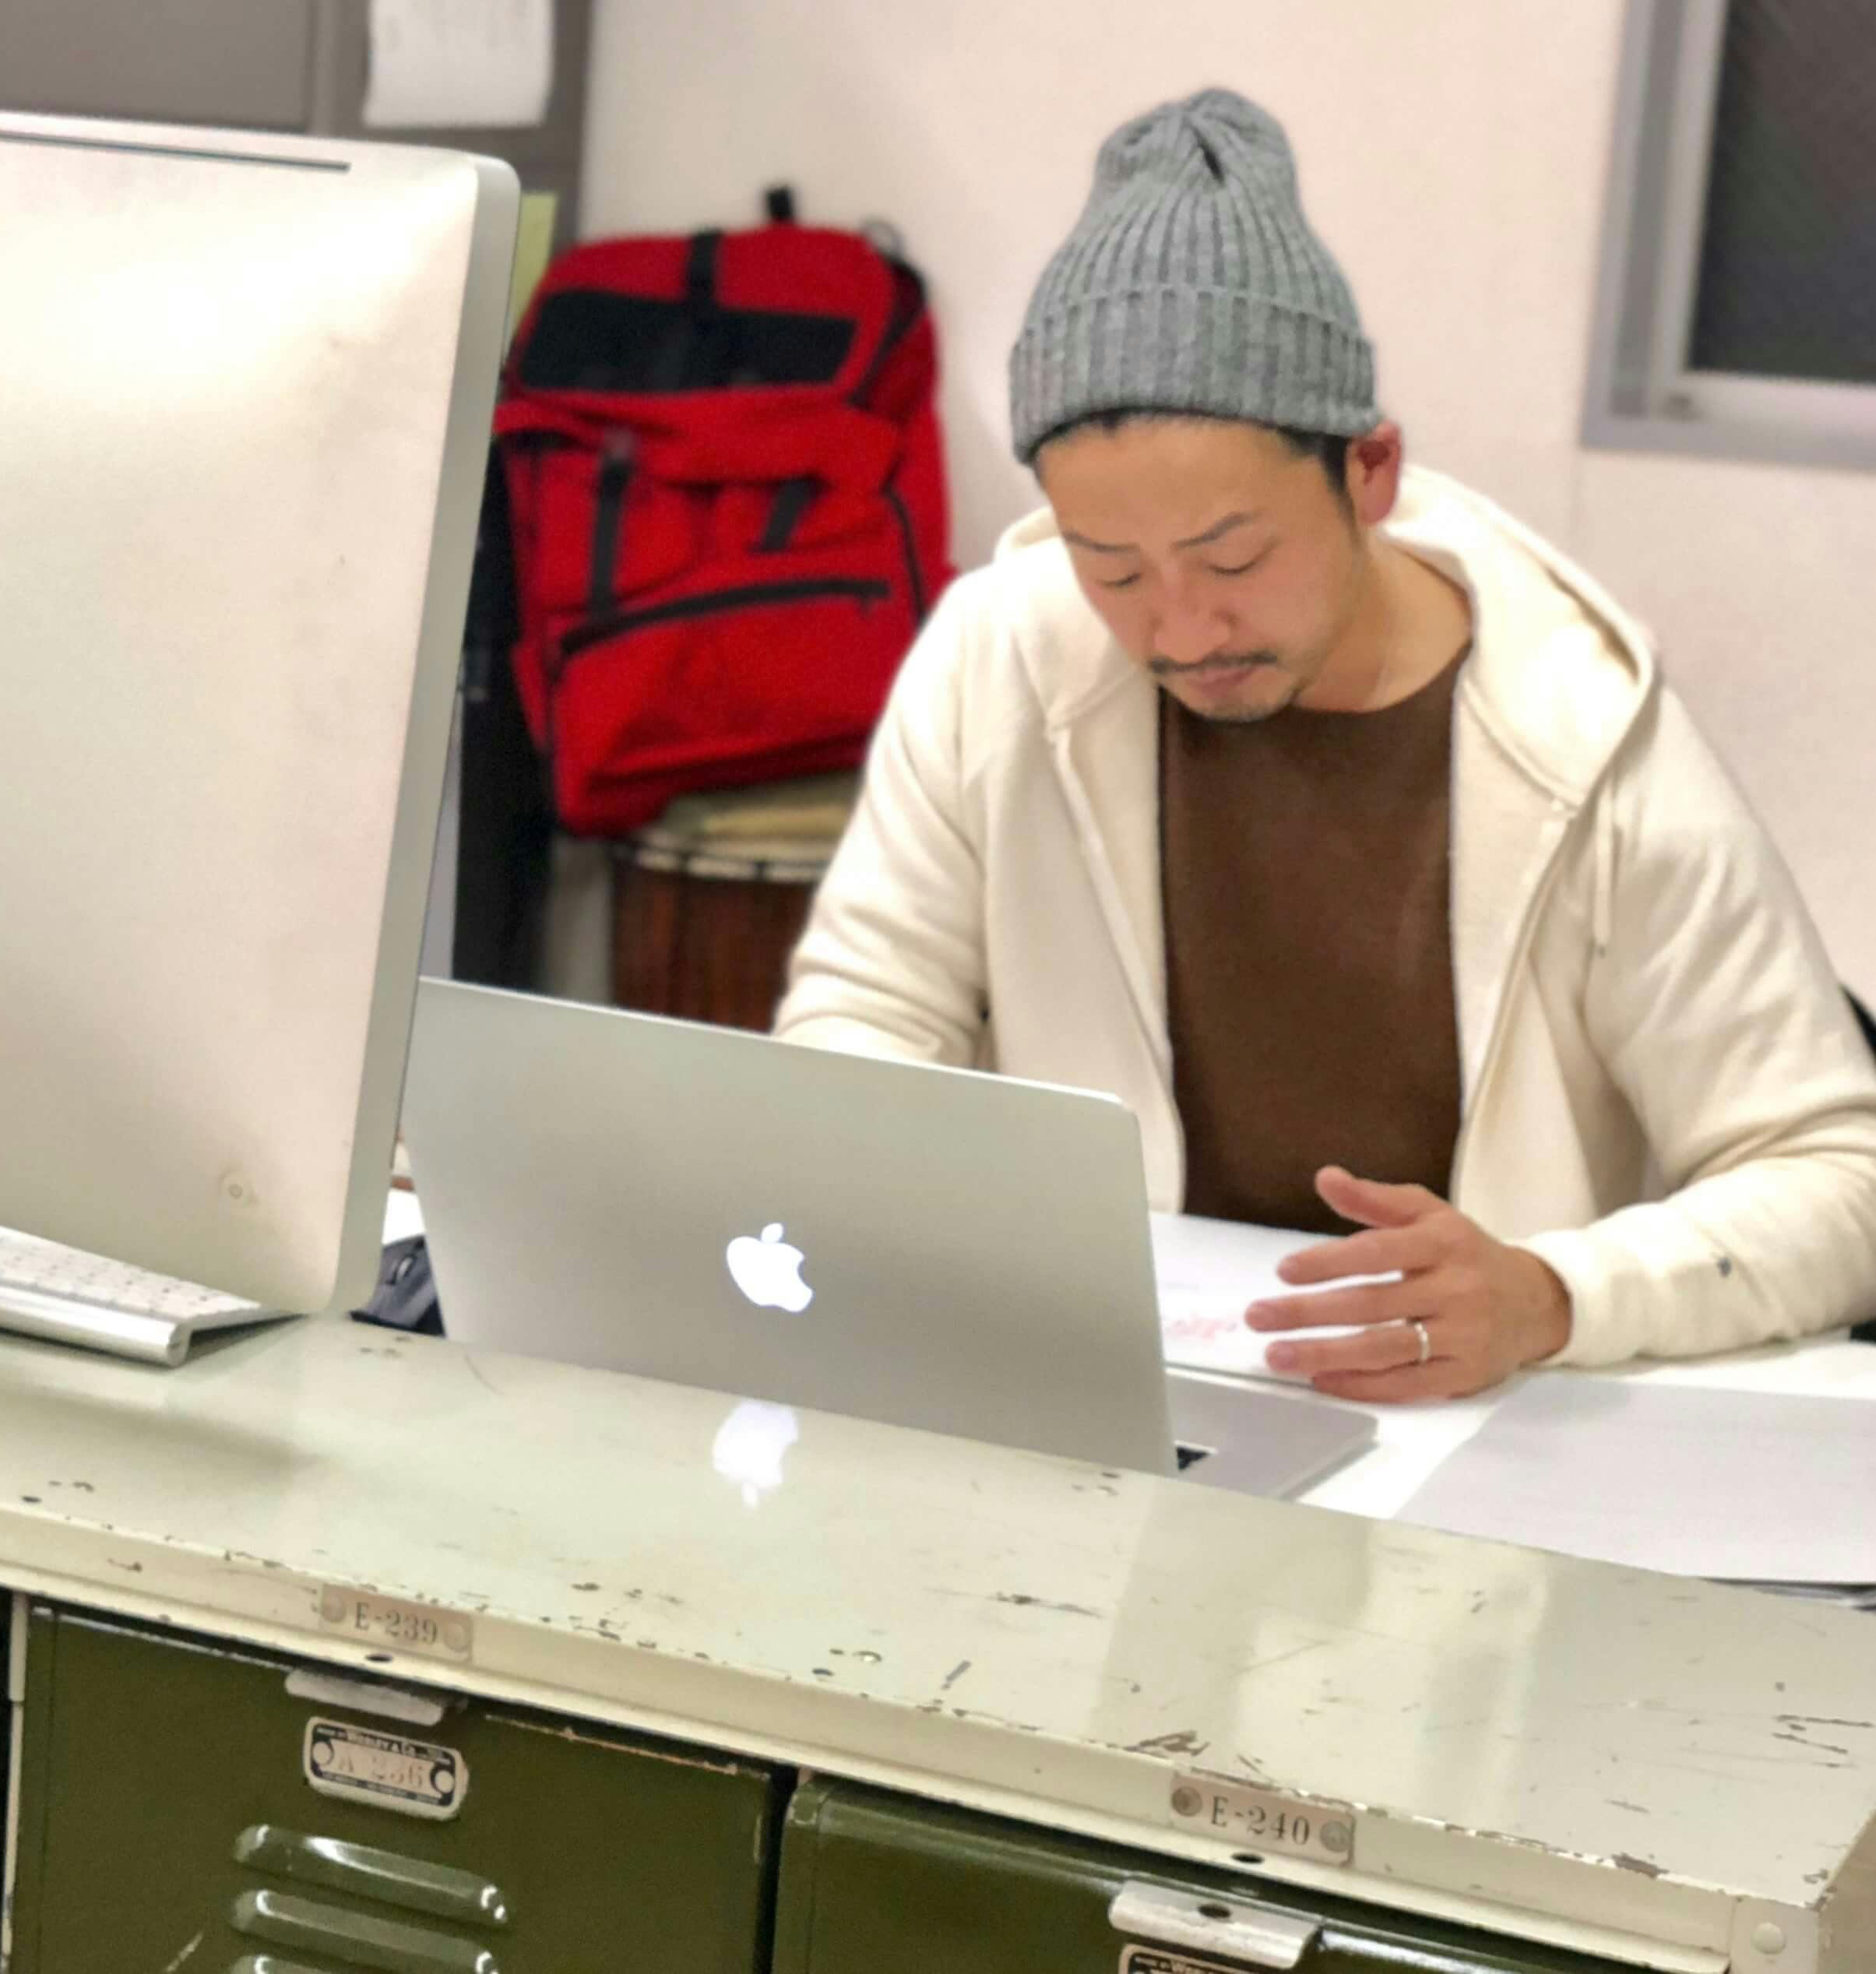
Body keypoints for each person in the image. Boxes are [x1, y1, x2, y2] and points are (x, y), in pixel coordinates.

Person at [775, 87, 1876, 1401]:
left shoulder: (1588, 747)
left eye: (1234, 558)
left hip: (1463, 1421)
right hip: (1100, 1380)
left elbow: (1838, 1184)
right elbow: (862, 1017)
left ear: (1370, 471)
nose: (1179, 630)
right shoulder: (1000, 651)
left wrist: (1550, 1295)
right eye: (1110, 568)